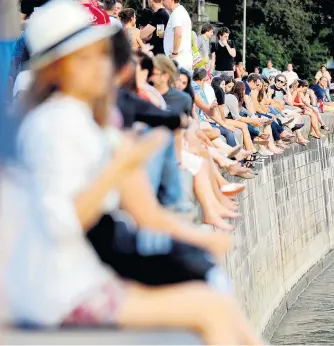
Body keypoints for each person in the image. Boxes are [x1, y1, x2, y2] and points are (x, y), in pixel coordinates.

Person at [5, 1, 262, 343]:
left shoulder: (83, 117)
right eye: (85, 58)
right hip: (62, 292)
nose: (101, 67)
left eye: (102, 54)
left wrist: (202, 238)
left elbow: (141, 207)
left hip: (85, 274)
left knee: (214, 298)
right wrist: (119, 167)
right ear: (54, 70)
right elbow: (60, 224)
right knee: (211, 307)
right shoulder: (55, 124)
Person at [163, 0, 192, 69]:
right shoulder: (179, 11)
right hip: (182, 58)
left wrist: (174, 53)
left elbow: (178, 33)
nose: (162, 2)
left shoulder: (177, 13)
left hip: (178, 59)